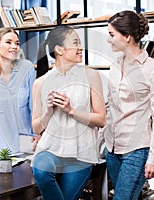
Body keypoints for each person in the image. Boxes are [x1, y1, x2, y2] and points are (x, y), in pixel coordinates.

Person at [31, 26, 106, 200]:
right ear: (59, 50)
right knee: (41, 171)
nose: (81, 48)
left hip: (81, 154)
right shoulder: (40, 83)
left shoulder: (92, 76)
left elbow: (101, 119)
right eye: (75, 43)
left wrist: (71, 110)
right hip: (50, 149)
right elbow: (36, 128)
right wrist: (48, 112)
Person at [104, 10, 154, 200]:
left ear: (127, 37)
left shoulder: (153, 69)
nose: (108, 40)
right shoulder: (114, 65)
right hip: (112, 149)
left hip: (137, 150)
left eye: (111, 35)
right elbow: (110, 107)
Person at [0, 27, 36, 154]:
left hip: (28, 143)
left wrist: (37, 135)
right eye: (8, 42)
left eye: (17, 43)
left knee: (27, 173)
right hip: (4, 149)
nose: (14, 46)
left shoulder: (27, 68)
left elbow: (34, 108)